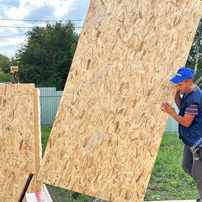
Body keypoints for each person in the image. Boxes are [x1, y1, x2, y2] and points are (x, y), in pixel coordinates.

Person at [161, 67, 202, 202]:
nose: (178, 86)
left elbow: (186, 122)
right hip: (190, 141)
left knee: (198, 174)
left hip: (198, 143)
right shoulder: (188, 93)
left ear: (189, 81)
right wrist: (176, 94)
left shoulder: (195, 99)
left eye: (180, 83)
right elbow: (182, 106)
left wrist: (171, 112)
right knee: (186, 166)